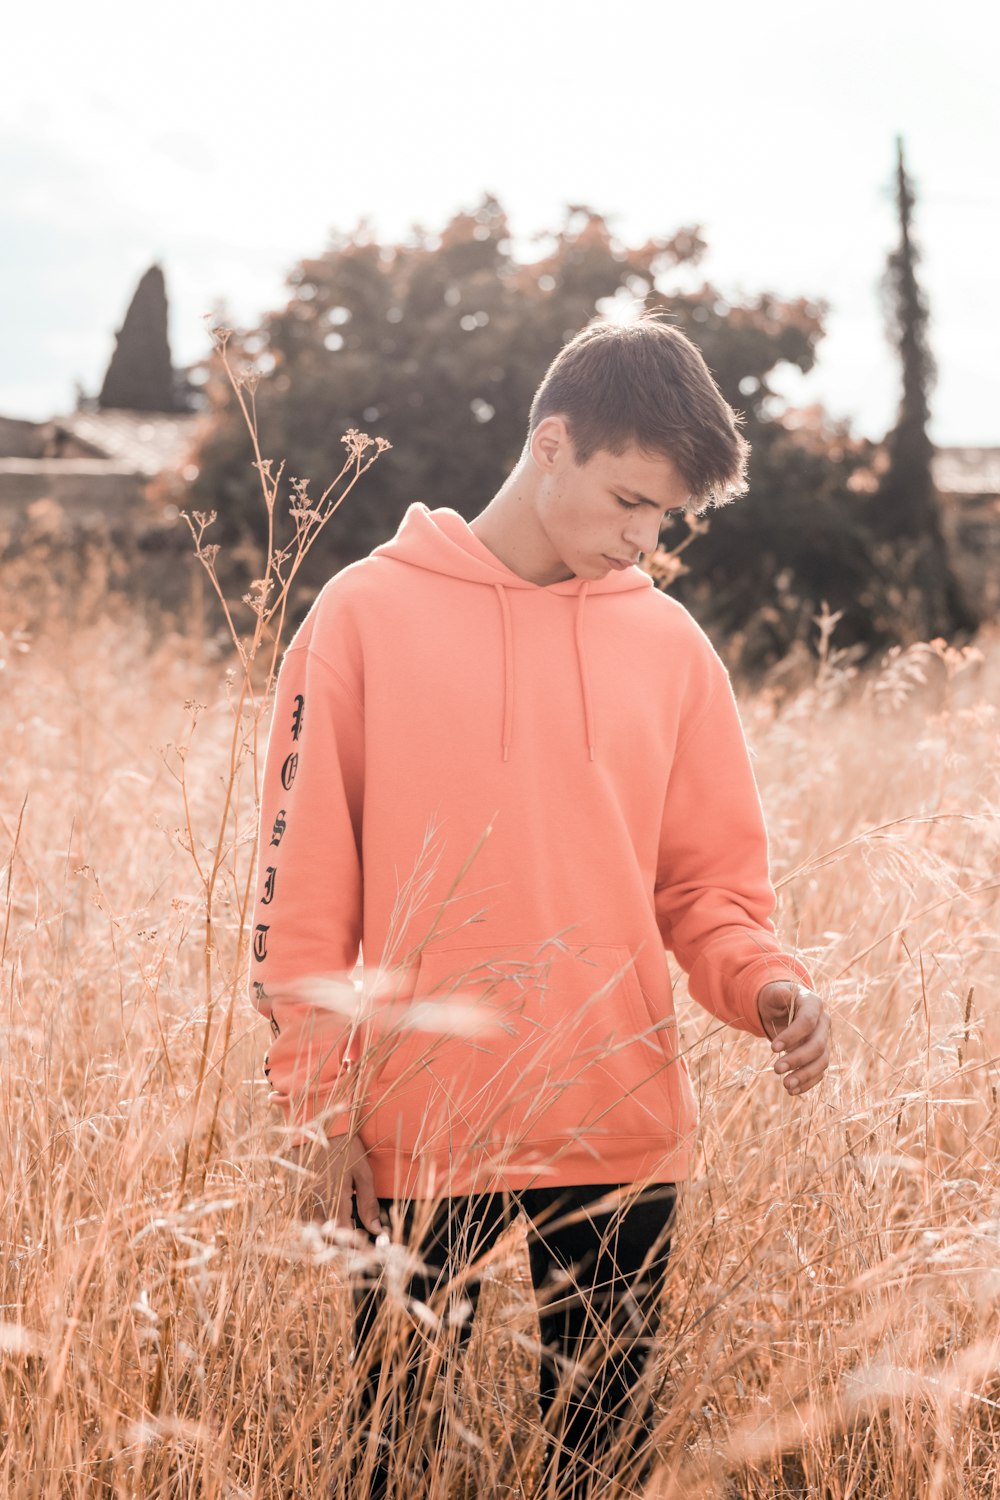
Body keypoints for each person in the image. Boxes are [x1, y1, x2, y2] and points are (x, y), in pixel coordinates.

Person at [247, 311, 831, 1496]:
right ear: (551, 443)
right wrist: (317, 1102)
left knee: (601, 1468)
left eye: (663, 517)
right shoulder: (362, 616)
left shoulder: (670, 648)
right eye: (628, 502)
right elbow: (299, 892)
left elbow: (708, 886)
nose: (643, 539)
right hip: (415, 1133)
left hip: (617, 1124)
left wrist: (766, 986)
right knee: (397, 1465)